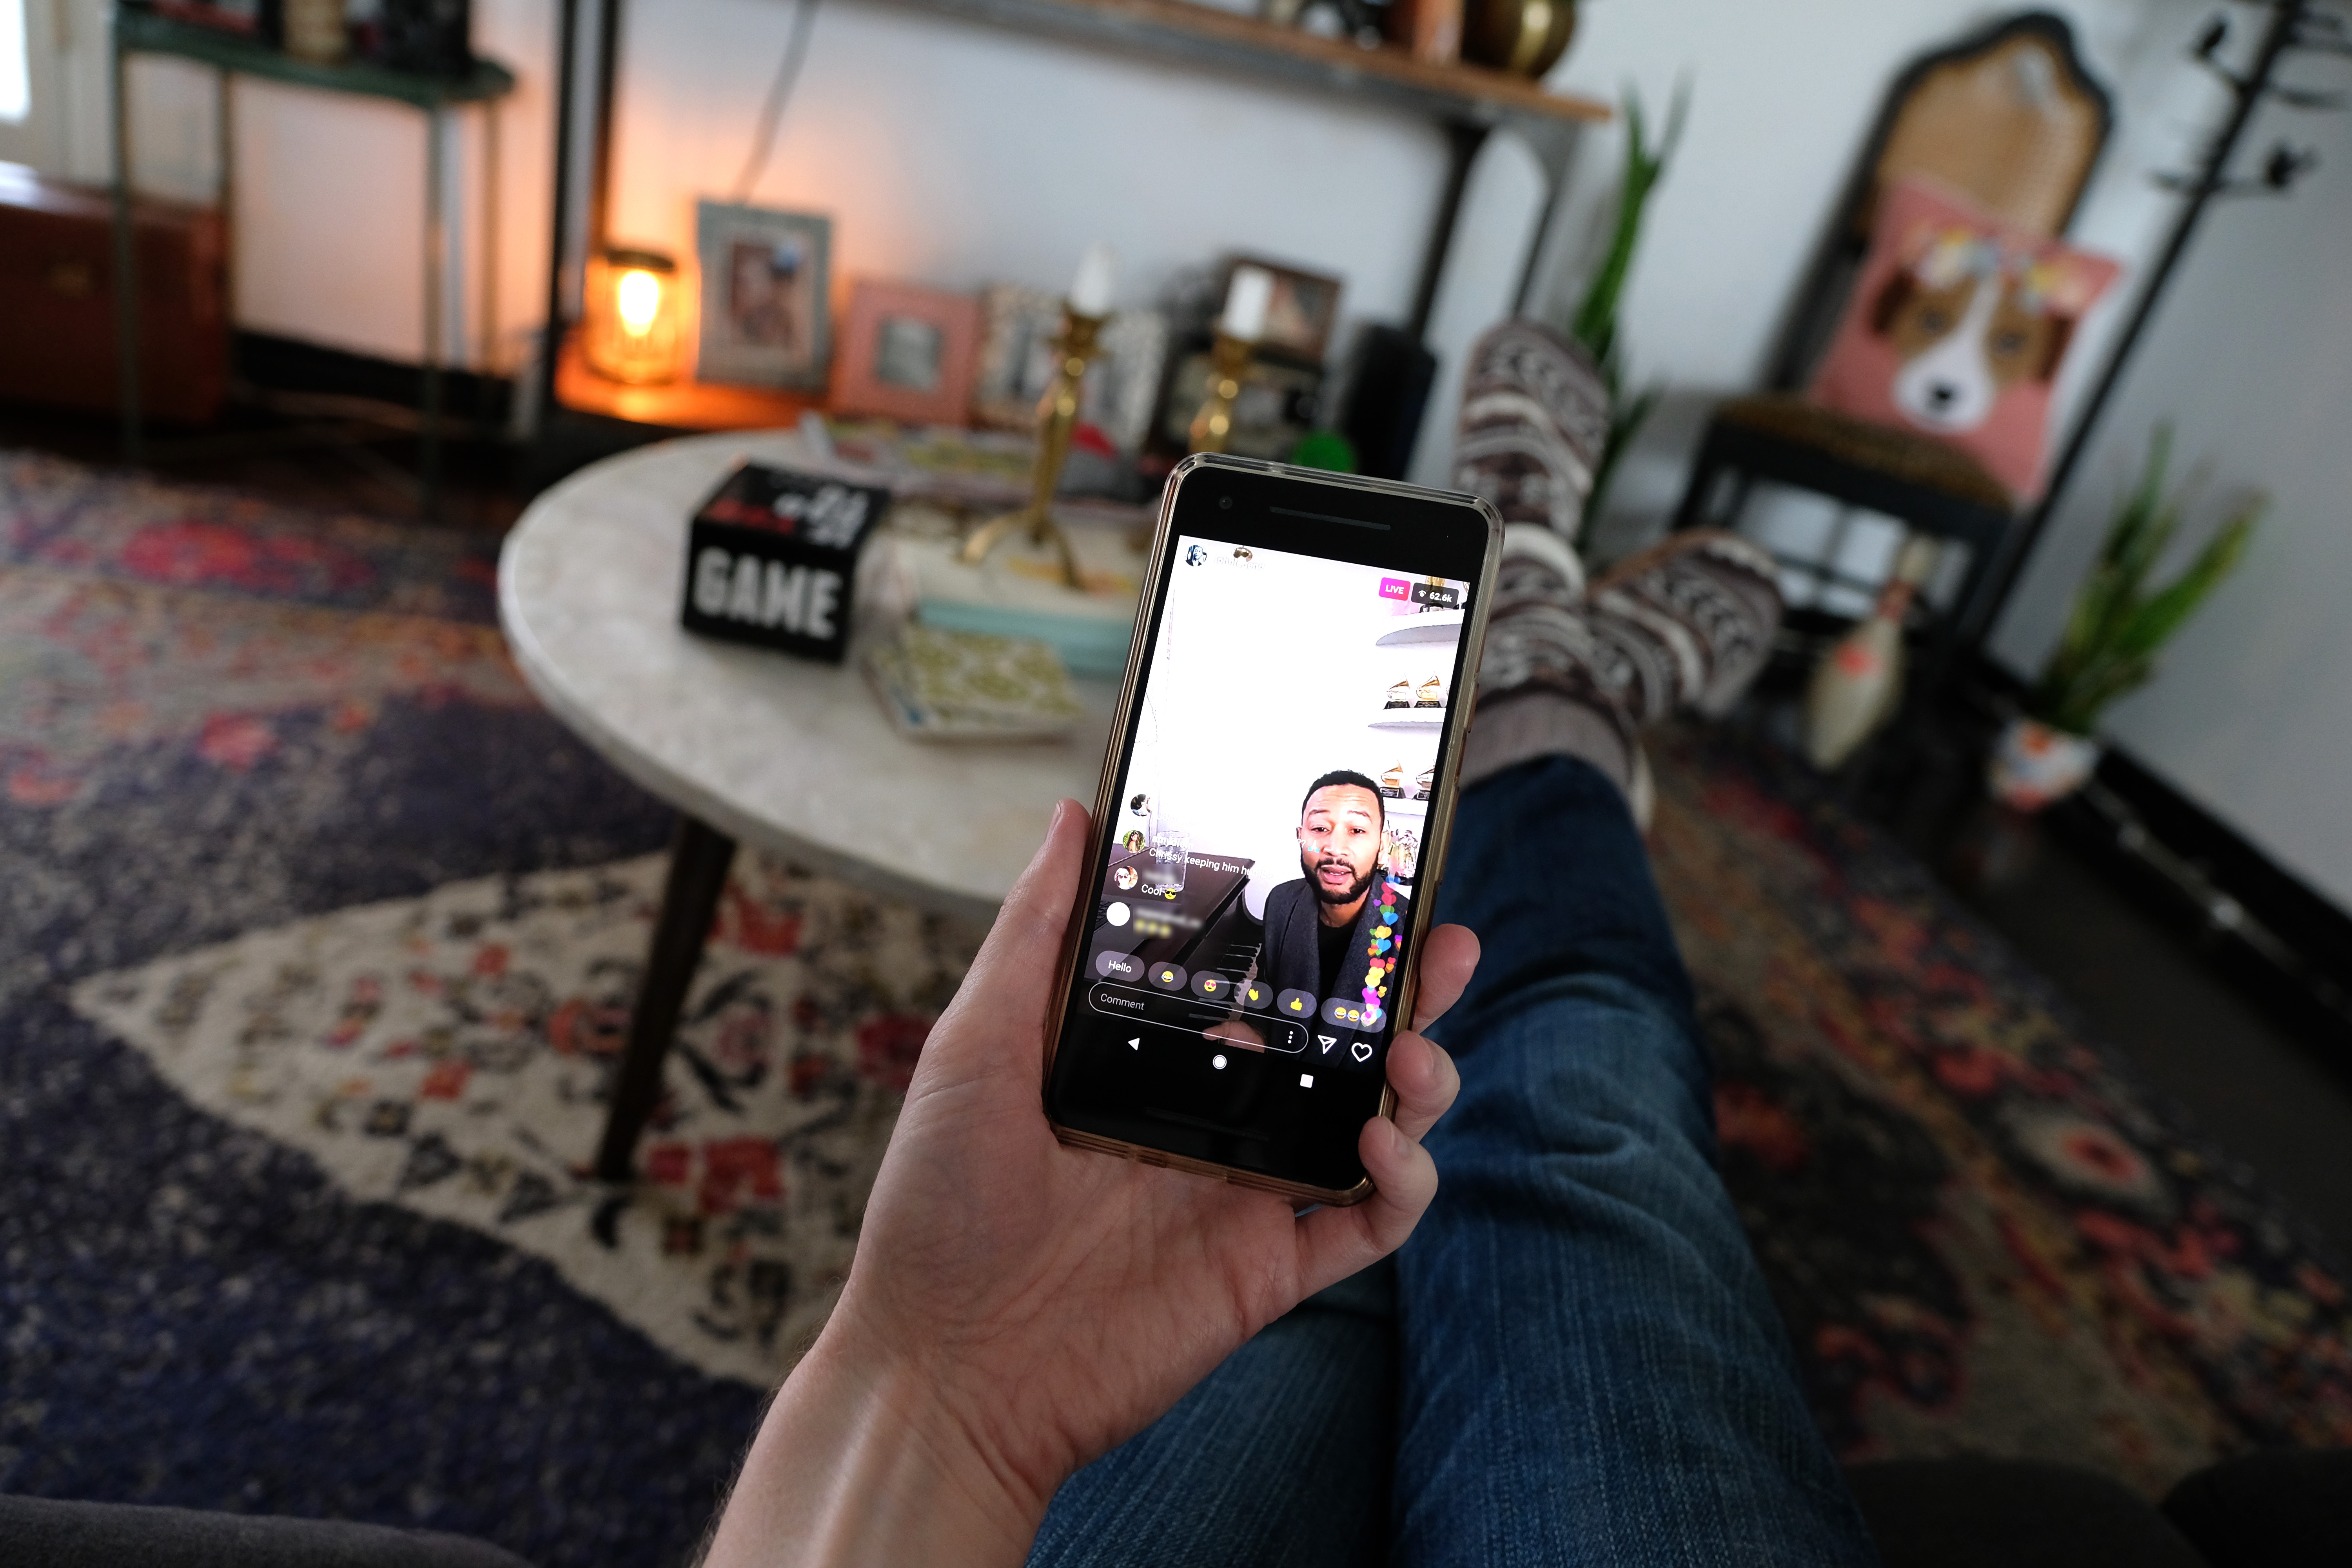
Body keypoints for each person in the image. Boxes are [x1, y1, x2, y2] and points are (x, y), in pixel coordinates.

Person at [699, 523, 1877, 1567]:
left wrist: (946, 1379)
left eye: (1355, 823)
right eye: (1317, 819)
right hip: (1298, 1129)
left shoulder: (1359, 909)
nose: (1329, 838)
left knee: (1354, 1245)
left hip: (1107, 1330)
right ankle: (1547, 700)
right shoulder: (1270, 907)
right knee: (1571, 1120)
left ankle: (1528, 670)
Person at [1256, 771, 1407, 1028]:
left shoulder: (1410, 925)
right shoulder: (1281, 901)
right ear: (1301, 837)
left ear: (1382, 845)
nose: (1335, 848)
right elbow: (1262, 999)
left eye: (1357, 830)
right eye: (1320, 829)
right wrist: (1254, 1034)